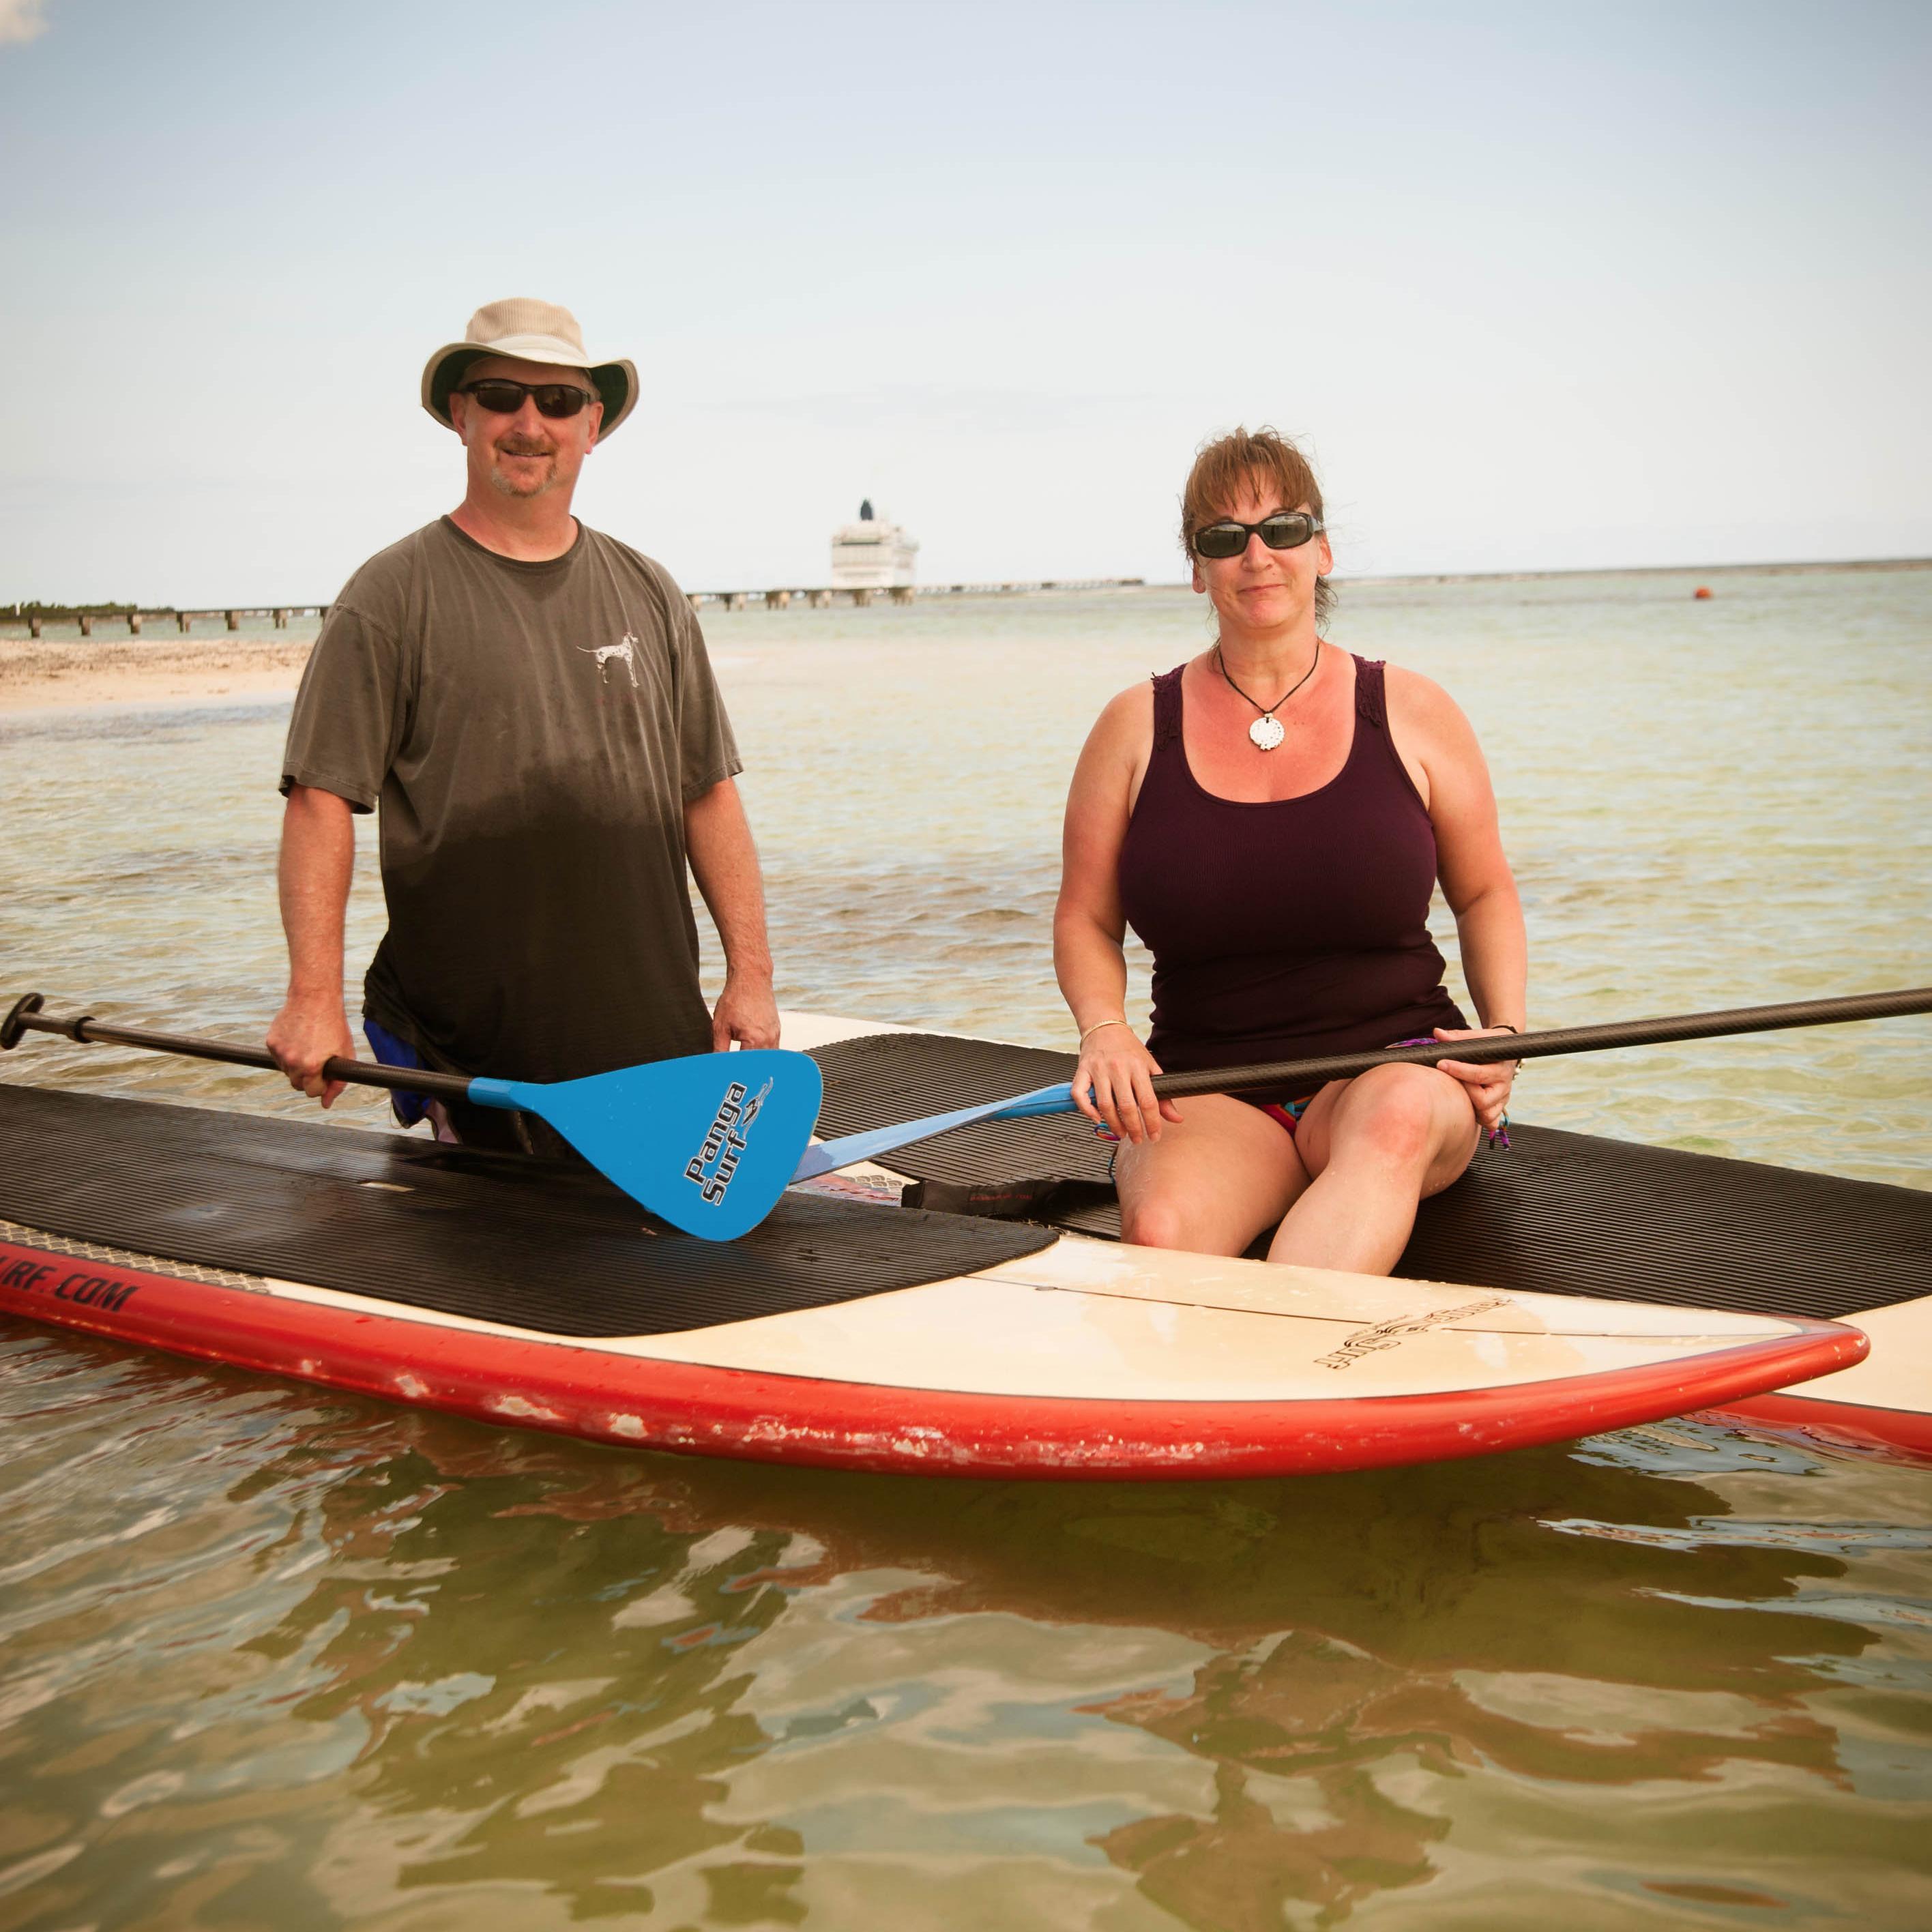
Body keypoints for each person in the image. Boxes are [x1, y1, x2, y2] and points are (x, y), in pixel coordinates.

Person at [267, 297, 778, 1151]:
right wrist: (312, 995)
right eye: (501, 395)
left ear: (595, 423)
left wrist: (751, 977)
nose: (528, 422)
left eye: (558, 401)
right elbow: (321, 801)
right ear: (461, 415)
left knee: (667, 1273)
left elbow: (709, 794)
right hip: (471, 1049)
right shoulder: (389, 596)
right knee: (498, 1275)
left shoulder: (651, 591)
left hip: (652, 1031)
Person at [1054, 426, 1526, 1274]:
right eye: (1224, 537)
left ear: (1323, 549)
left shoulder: (1414, 709)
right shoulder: (1132, 726)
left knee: (1397, 1124)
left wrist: (1505, 1035)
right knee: (1163, 1232)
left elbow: (1486, 894)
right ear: (1197, 568)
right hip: (1209, 1085)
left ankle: (1289, 1385)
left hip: (1396, 1069)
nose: (1257, 555)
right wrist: (1106, 1032)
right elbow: (1087, 918)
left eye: (1284, 528)